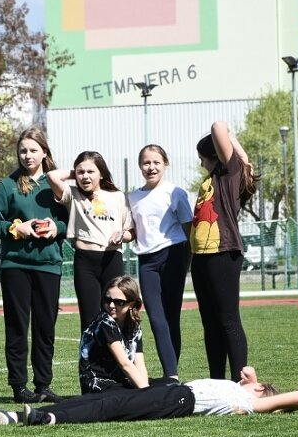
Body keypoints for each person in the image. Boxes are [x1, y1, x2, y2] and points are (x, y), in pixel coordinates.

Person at [0, 127, 69, 404]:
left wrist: (55, 227)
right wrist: (16, 228)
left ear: (45, 152)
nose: (27, 155)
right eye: (23, 151)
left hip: (48, 265)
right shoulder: (8, 185)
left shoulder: (56, 185)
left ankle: (44, 385)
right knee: (17, 328)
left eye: (33, 150)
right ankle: (19, 386)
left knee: (46, 328)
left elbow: (71, 221)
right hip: (15, 266)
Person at [0, 366, 298, 426]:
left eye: (254, 383)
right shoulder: (243, 390)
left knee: (112, 405)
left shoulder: (250, 401)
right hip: (174, 393)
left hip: (180, 401)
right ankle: (18, 415)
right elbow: (247, 371)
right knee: (92, 400)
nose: (243, 378)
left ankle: (43, 418)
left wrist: (265, 398)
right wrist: (252, 380)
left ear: (262, 392)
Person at [190, 121, 258, 382]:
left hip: (223, 253)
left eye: (202, 158)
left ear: (215, 156)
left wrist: (236, 149)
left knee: (228, 320)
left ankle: (240, 383)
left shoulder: (230, 174)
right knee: (210, 323)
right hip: (202, 256)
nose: (200, 164)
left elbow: (219, 127)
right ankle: (217, 382)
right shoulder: (210, 181)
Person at [47, 152, 135, 332]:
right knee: (89, 317)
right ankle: (89, 360)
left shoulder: (117, 196)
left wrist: (122, 235)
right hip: (85, 261)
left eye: (91, 171)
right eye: (81, 172)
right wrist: (77, 173)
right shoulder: (72, 194)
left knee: (114, 315)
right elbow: (51, 176)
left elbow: (131, 232)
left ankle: (116, 359)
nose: (85, 176)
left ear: (101, 173)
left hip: (112, 259)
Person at [128, 144, 193, 381]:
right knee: (156, 319)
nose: (151, 167)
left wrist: (186, 261)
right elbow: (132, 229)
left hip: (173, 256)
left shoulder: (175, 192)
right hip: (147, 262)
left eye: (156, 162)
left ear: (165, 164)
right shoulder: (133, 197)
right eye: (146, 162)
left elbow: (189, 231)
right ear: (140, 166)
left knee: (170, 318)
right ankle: (171, 375)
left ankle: (171, 376)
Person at [78, 276, 148, 394]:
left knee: (165, 383)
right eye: (108, 300)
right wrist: (147, 393)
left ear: (131, 304)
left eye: (118, 302)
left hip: (121, 382)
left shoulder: (134, 325)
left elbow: (139, 364)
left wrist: (147, 389)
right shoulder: (105, 322)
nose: (111, 305)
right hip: (99, 385)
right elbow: (125, 364)